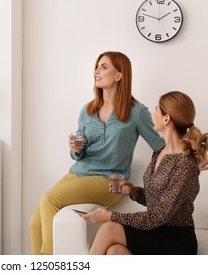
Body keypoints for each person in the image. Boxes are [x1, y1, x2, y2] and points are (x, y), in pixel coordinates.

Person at [29, 51, 165, 255]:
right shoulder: (88, 110)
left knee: (50, 199)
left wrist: (188, 160)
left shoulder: (136, 112)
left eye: (104, 67)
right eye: (96, 66)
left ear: (119, 75)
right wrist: (76, 149)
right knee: (34, 223)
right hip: (78, 173)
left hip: (108, 180)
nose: (96, 71)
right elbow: (78, 155)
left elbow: (160, 144)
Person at [84, 91, 208, 255]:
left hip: (176, 241)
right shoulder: (160, 152)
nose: (153, 113)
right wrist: (133, 191)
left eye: (157, 109)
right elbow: (158, 200)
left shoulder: (185, 164)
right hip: (156, 231)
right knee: (115, 252)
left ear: (166, 119)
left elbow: (158, 216)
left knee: (109, 229)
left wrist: (111, 216)